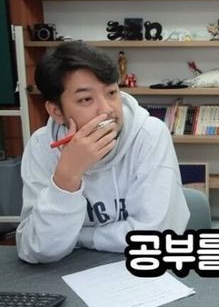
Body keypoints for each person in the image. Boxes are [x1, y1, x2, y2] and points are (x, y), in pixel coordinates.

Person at [16, 41, 188, 263]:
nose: (107, 109)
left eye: (112, 93)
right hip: (67, 272)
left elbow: (156, 238)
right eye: (86, 99)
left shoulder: (149, 135)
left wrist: (80, 237)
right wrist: (67, 178)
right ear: (56, 111)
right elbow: (35, 249)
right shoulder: (42, 146)